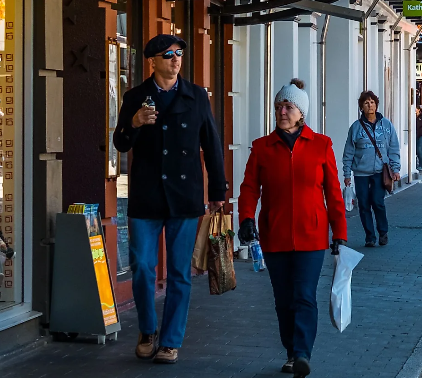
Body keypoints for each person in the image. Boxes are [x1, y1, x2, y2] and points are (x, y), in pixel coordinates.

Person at [112, 34, 226, 364]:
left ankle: (171, 341)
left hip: (185, 196)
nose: (175, 59)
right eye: (168, 55)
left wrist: (217, 191)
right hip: (147, 196)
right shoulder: (136, 97)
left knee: (178, 272)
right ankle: (148, 330)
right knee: (144, 267)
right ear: (152, 62)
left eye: (179, 53)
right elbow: (120, 143)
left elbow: (213, 145)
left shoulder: (196, 96)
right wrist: (133, 123)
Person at [237, 79, 346, 378]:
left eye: (288, 106)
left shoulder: (322, 145)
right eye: (278, 106)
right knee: (283, 299)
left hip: (312, 236)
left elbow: (334, 194)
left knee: (304, 296)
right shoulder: (262, 147)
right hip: (275, 235)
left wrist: (340, 234)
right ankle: (290, 351)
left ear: (301, 113)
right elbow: (249, 188)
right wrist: (246, 218)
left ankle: (302, 353)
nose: (282, 111)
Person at [342, 91, 400, 247]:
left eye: (372, 102)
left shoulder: (386, 125)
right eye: (366, 103)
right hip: (361, 173)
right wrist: (347, 174)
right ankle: (370, 236)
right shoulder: (356, 127)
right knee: (364, 205)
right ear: (362, 106)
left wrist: (396, 169)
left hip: (380, 172)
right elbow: (348, 152)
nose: (370, 105)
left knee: (378, 202)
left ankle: (383, 232)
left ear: (376, 105)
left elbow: (393, 148)